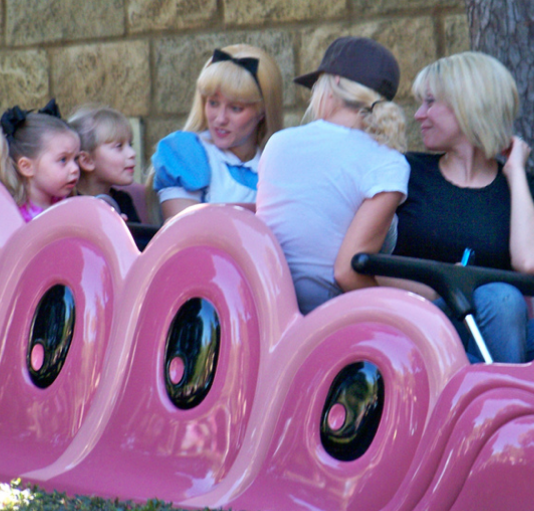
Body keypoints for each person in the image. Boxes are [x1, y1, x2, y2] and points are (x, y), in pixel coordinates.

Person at [391, 51, 534, 363]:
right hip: (422, 325)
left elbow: (531, 262)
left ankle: (491, 392)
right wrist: (443, 289)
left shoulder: (523, 187)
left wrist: (515, 171)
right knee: (503, 298)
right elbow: (365, 259)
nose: (419, 115)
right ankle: (502, 403)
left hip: (495, 329)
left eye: (430, 102)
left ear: (469, 107)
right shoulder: (405, 172)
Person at [257, 36, 410, 314]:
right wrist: (401, 316)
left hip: (267, 310)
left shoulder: (279, 143)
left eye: (317, 84)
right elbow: (346, 273)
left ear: (335, 82)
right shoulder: (388, 162)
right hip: (330, 321)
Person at [150, 44, 283, 220]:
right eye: (213, 103)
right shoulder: (187, 153)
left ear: (262, 111)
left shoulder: (276, 168)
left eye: (235, 108)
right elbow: (185, 238)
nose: (220, 119)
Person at [0, 99, 81, 224]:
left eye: (75, 158)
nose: (75, 168)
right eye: (63, 159)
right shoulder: (12, 219)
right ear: (27, 167)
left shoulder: (70, 206)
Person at [68, 105, 141, 223]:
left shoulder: (123, 201)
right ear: (87, 160)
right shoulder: (68, 203)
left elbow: (138, 241)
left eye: (130, 145)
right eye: (119, 146)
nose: (132, 153)